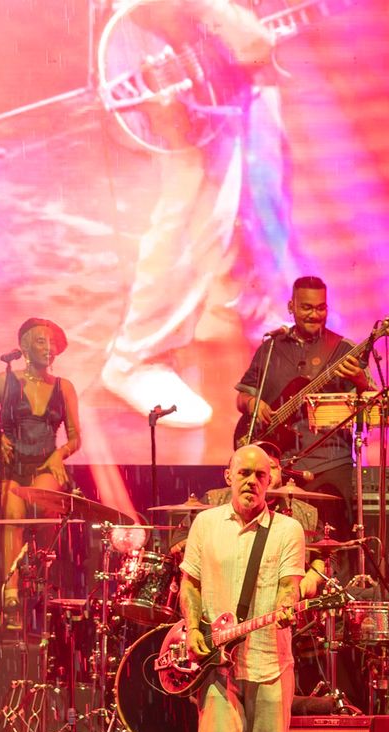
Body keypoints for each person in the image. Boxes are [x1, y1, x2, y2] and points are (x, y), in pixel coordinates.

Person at [99, 0, 297, 428]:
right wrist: (215, 11)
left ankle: (248, 308)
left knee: (261, 185)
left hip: (235, 36)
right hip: (165, 29)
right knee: (197, 200)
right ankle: (138, 358)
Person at [181, 444, 306, 732]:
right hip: (217, 667)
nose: (252, 481)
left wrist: (287, 605)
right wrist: (192, 628)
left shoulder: (287, 530)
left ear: (271, 481)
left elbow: (289, 586)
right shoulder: (205, 524)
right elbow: (189, 583)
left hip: (270, 665)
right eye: (244, 473)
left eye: (260, 475)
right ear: (228, 477)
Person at [235, 277, 372, 537]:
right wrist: (253, 404)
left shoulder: (344, 350)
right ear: (291, 307)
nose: (314, 315)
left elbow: (374, 405)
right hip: (277, 465)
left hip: (329, 463)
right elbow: (242, 397)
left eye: (321, 308)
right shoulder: (270, 348)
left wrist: (360, 381)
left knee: (333, 541)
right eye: (307, 307)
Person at [0, 318, 83, 614]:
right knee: (13, 512)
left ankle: (42, 580)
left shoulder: (64, 387)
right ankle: (11, 591)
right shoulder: (5, 381)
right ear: (25, 348)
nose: (49, 347)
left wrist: (60, 454)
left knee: (42, 504)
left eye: (52, 342)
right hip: (9, 467)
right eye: (41, 341)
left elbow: (75, 437)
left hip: (45, 466)